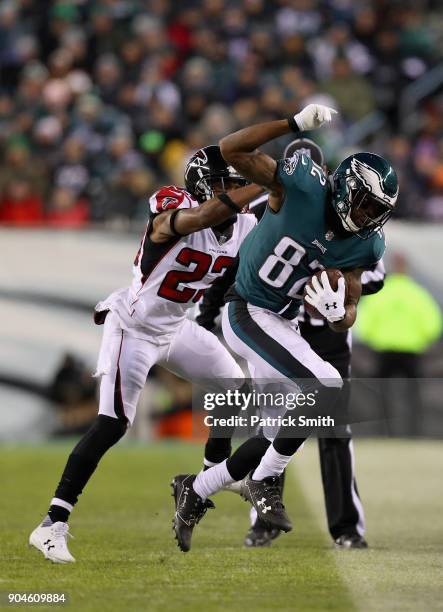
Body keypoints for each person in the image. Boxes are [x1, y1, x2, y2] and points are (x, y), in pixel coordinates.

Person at [172, 103, 399, 552]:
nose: (371, 215)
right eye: (367, 203)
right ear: (346, 188)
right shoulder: (298, 186)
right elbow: (231, 148)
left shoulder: (365, 243)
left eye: (379, 209)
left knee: (279, 429)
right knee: (327, 385)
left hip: (284, 321)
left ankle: (194, 490)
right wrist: (292, 124)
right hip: (248, 309)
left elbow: (349, 306)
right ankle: (268, 482)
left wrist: (339, 314)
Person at [29, 145, 262, 563]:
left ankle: (209, 476)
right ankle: (51, 525)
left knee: (234, 386)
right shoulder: (176, 206)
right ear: (204, 185)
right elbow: (202, 217)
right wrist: (266, 179)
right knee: (112, 424)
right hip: (133, 327)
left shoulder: (243, 224)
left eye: (239, 183)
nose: (235, 191)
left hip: (174, 326)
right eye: (227, 183)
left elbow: (270, 217)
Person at [356, 252, 442, 435]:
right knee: (413, 394)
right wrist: (421, 340)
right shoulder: (418, 294)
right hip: (411, 351)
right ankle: (413, 432)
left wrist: (374, 339)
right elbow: (433, 324)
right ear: (408, 269)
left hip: (384, 350)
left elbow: (363, 323)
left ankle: (385, 432)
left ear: (393, 268)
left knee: (382, 394)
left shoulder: (380, 293)